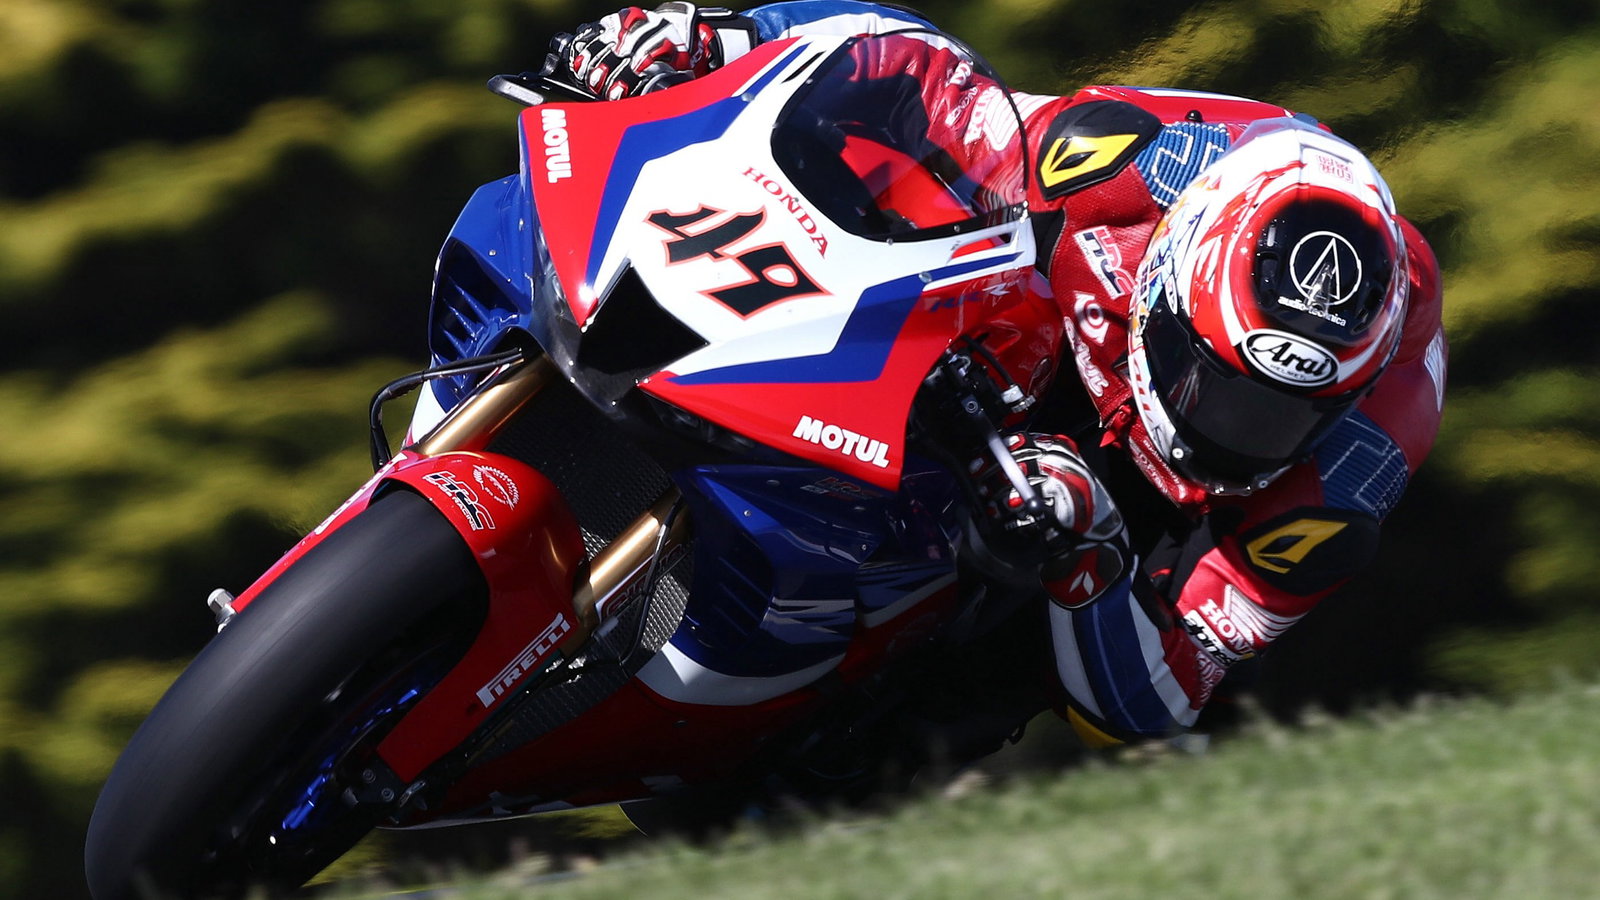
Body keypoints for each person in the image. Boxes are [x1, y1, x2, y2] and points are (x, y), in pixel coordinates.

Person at [546, 1, 1447, 746]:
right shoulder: (1121, 160)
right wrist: (713, 40)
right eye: (1209, 382)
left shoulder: (1357, 463)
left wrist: (1089, 550)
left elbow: (1160, 705)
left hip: (1111, 516)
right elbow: (919, 83)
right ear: (1167, 285)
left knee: (977, 681)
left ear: (1343, 401)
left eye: (1271, 417)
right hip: (1038, 331)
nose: (1217, 427)